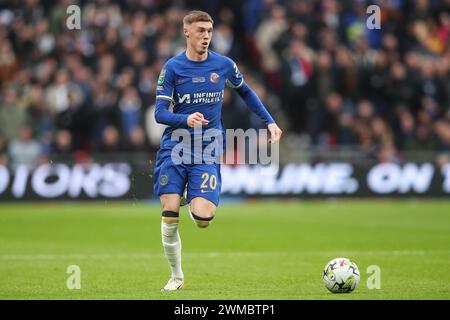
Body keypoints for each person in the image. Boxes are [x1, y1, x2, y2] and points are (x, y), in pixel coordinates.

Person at [153, 10, 282, 291]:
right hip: (175, 147)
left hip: (208, 150)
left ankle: (193, 197)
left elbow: (245, 91)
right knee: (170, 211)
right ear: (186, 32)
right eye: (200, 30)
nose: (206, 36)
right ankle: (176, 276)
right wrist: (184, 119)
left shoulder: (223, 65)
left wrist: (269, 121)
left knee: (203, 219)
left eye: (209, 31)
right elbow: (160, 114)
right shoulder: (172, 68)